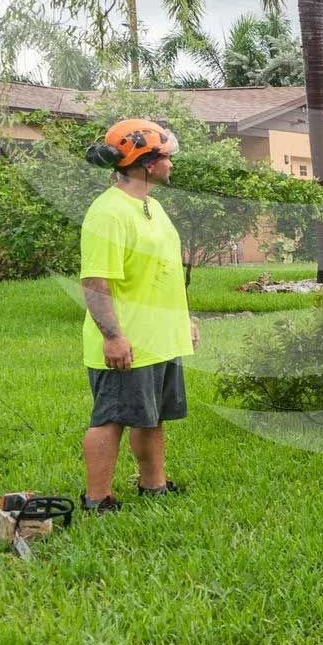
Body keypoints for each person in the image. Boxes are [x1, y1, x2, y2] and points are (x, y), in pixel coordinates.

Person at [79, 118, 198, 512]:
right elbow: (96, 282)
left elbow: (163, 271)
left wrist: (183, 321)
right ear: (147, 163)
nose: (171, 163)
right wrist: (112, 336)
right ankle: (98, 499)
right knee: (110, 418)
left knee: (152, 417)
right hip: (126, 341)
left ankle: (154, 485)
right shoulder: (108, 212)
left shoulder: (152, 206)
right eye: (166, 157)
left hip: (159, 337)